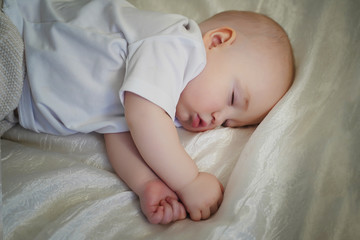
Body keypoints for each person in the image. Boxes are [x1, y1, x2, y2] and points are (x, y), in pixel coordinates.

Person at [3, 0, 294, 224]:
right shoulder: (177, 44)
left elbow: (117, 131)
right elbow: (142, 117)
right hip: (18, 42)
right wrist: (188, 181)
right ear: (216, 41)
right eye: (232, 97)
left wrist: (147, 185)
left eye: (229, 123)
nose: (218, 118)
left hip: (14, 106)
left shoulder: (163, 108)